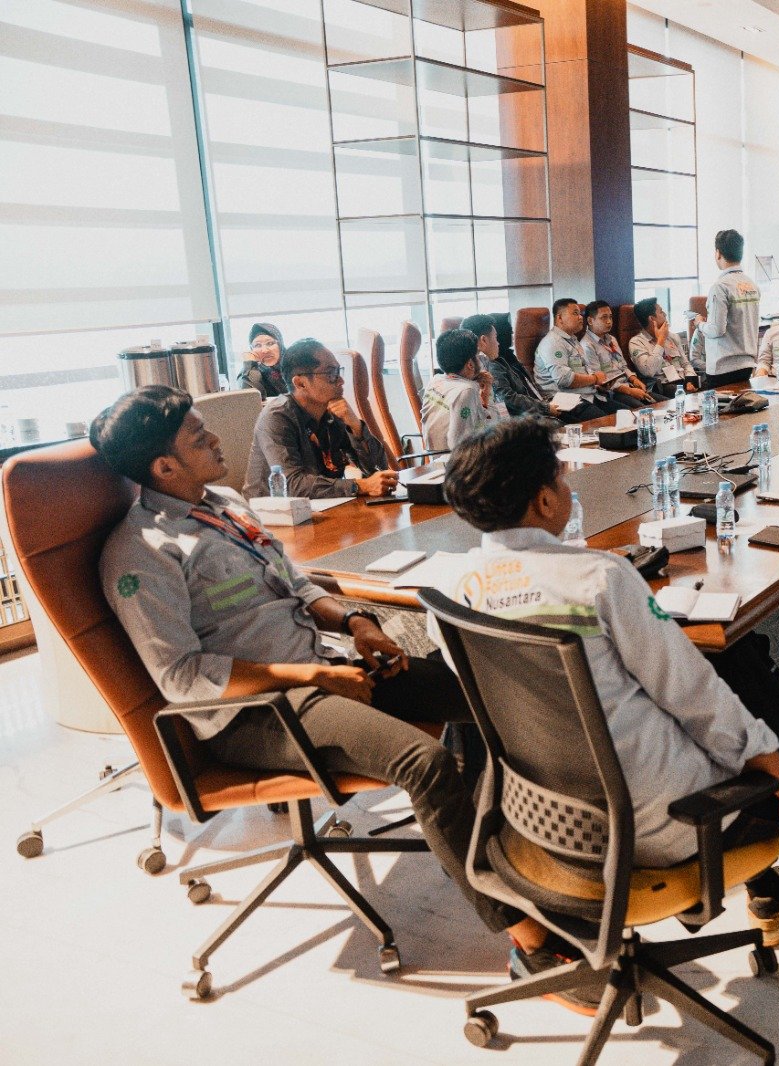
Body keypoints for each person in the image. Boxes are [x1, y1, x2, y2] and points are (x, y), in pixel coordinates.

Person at [90, 385, 562, 1002]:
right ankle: (529, 943)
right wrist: (314, 678)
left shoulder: (226, 504)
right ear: (164, 467)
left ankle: (503, 851)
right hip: (255, 712)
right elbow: (182, 676)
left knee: (484, 690)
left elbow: (297, 584)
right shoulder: (141, 554)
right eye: (199, 437)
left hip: (323, 665)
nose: (217, 440)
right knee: (424, 763)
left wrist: (357, 622)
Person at [437, 417, 779, 978]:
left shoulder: (452, 591)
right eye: (561, 478)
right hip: (659, 823)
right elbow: (695, 696)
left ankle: (765, 888)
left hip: (543, 821)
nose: (568, 488)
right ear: (545, 500)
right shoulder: (600, 578)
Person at [243, 339, 396, 499]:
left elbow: (377, 469)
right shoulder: (277, 417)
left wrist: (356, 427)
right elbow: (292, 485)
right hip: (272, 511)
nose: (341, 381)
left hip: (324, 507)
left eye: (338, 372)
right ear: (300, 383)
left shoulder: (332, 412)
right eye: (331, 374)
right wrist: (360, 486)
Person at [533, 298, 627, 415]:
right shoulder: (553, 342)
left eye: (580, 314)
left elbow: (584, 371)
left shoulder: (573, 340)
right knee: (609, 420)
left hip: (587, 395)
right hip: (565, 401)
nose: (580, 317)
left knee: (626, 414)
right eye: (575, 313)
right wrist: (595, 379)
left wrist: (598, 384)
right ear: (560, 318)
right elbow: (564, 379)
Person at [421, 328, 503, 453]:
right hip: (456, 460)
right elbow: (459, 444)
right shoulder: (466, 390)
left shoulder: (436, 380)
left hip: (436, 455)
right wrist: (488, 393)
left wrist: (483, 397)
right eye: (477, 356)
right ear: (470, 364)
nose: (480, 359)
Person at [700, 229, 762, 387]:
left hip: (723, 366)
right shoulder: (752, 285)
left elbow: (716, 329)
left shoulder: (720, 287)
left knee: (723, 404)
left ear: (718, 253)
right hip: (747, 363)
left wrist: (699, 324)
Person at [467, 313, 544, 418]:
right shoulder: (488, 367)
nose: (498, 343)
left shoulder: (475, 365)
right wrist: (546, 409)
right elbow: (504, 403)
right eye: (496, 337)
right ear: (484, 340)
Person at [579, 300, 652, 406]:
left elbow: (623, 366)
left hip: (628, 384)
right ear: (590, 321)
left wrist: (634, 379)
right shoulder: (587, 346)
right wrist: (630, 391)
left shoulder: (612, 339)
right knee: (642, 408)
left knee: (660, 401)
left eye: (610, 317)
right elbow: (600, 382)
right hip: (611, 392)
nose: (609, 321)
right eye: (604, 317)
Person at [627, 297, 698, 394]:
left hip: (682, 381)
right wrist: (660, 341)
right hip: (662, 386)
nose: (665, 314)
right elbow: (649, 371)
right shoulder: (636, 342)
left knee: (707, 380)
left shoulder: (673, 337)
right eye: (661, 312)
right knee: (676, 390)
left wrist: (690, 380)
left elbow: (686, 364)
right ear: (652, 319)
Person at [235, 323, 287, 398]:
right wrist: (250, 366)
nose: (264, 350)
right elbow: (249, 399)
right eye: (258, 345)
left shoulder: (294, 364)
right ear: (252, 349)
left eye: (270, 343)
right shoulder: (247, 371)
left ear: (280, 344)